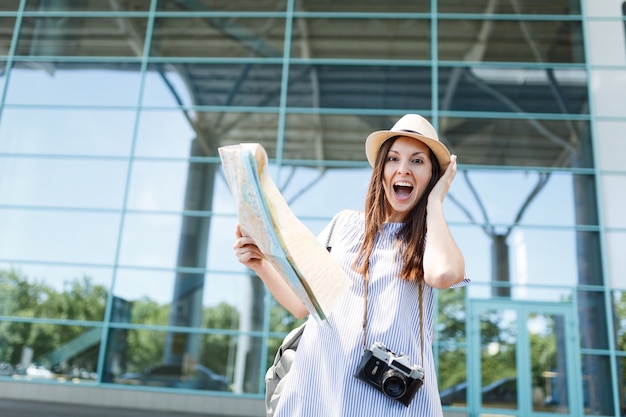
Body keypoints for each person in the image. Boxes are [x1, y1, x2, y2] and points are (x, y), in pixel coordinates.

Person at [233, 114, 468, 416]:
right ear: (381, 170)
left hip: (388, 404)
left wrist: (436, 200)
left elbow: (444, 273)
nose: (403, 169)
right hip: (318, 393)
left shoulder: (430, 241)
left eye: (418, 161)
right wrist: (260, 264)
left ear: (432, 176)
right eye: (393, 159)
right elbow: (303, 304)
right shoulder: (343, 226)